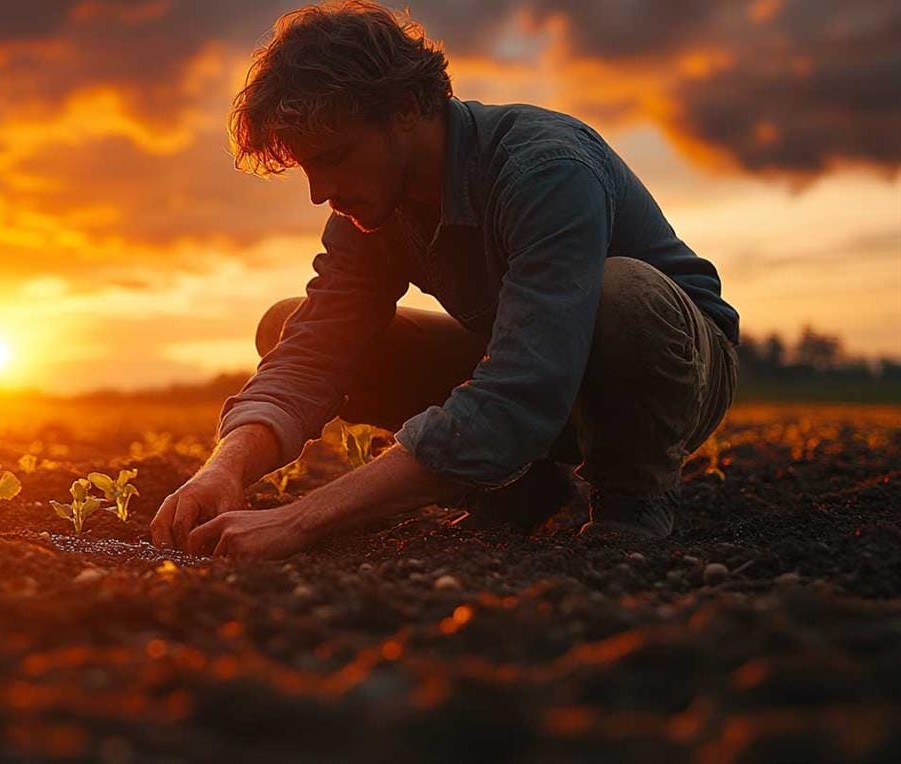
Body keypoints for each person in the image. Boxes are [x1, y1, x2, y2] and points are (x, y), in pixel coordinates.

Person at [150, 0, 739, 560]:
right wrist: (222, 470)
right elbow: (312, 354)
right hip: (534, 368)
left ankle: (631, 498)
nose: (318, 192)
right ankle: (517, 487)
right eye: (307, 167)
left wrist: (300, 519)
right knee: (286, 326)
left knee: (623, 296)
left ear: (407, 109)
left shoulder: (545, 170)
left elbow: (524, 391)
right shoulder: (370, 207)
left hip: (672, 371)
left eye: (332, 157)